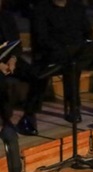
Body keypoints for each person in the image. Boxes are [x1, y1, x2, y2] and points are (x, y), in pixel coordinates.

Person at [32, 0, 93, 122]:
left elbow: (88, 31)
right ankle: (74, 107)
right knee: (72, 63)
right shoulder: (41, 10)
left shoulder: (77, 7)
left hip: (80, 50)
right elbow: (42, 39)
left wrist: (88, 46)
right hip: (56, 53)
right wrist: (66, 50)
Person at [0, 1, 48, 135]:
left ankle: (29, 114)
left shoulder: (7, 17)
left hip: (9, 59)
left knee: (40, 74)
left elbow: (16, 44)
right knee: (1, 83)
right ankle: (6, 121)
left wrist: (13, 59)